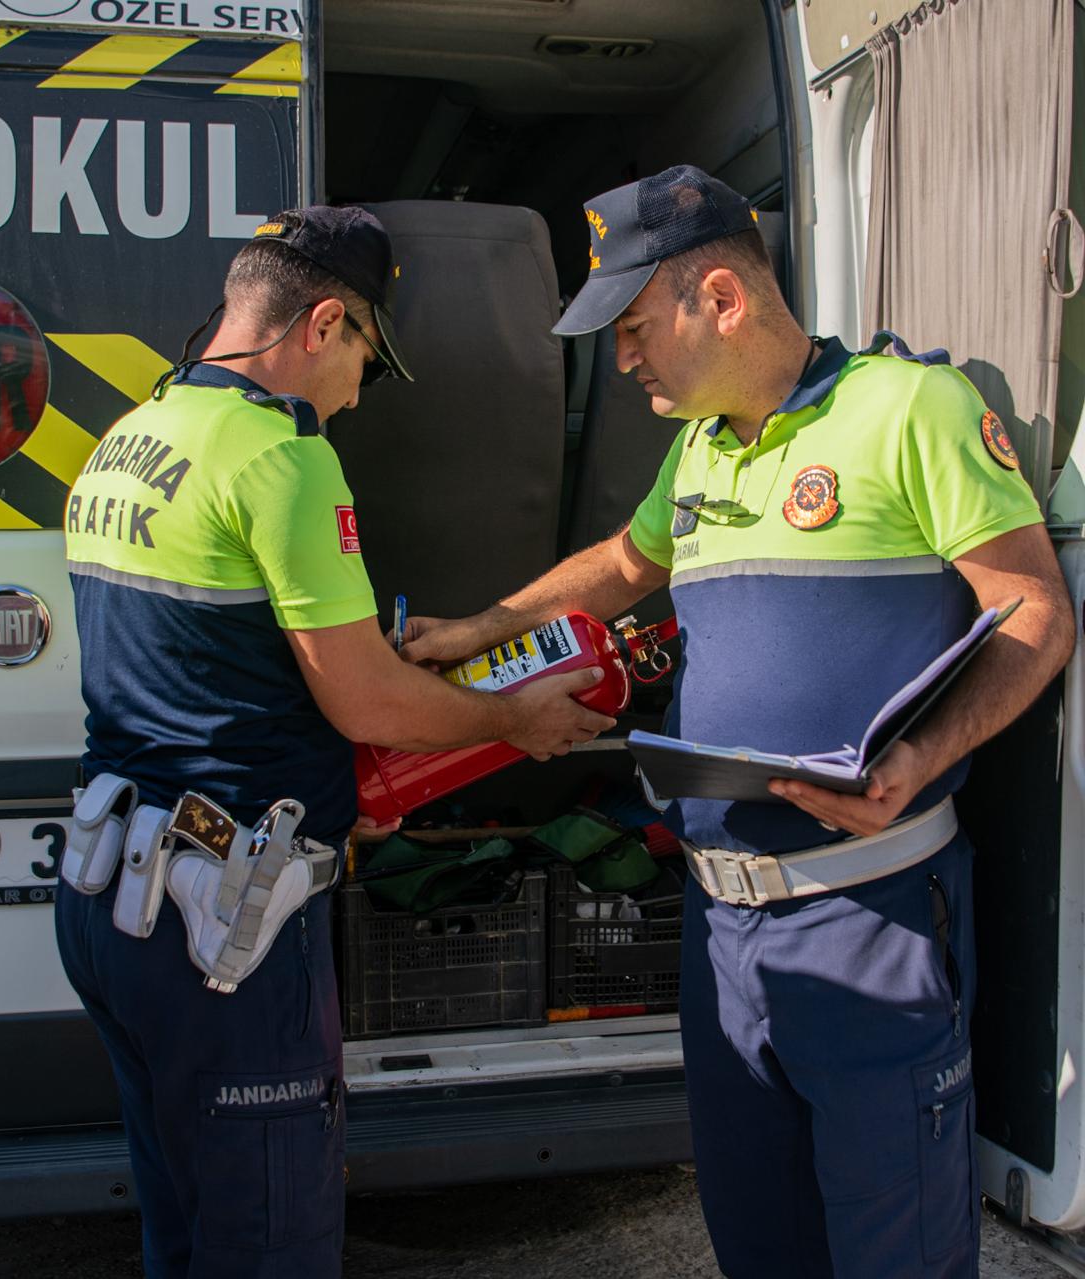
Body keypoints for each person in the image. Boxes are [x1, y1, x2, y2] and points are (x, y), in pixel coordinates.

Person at [401, 165, 1076, 1277]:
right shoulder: (701, 446)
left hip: (873, 922)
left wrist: (920, 755)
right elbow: (622, 565)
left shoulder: (911, 409)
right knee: (761, 1247)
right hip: (722, 938)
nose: (619, 359)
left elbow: (1036, 612)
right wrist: (481, 627)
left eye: (630, 326)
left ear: (718, 298)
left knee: (895, 1248)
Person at [56, 205, 615, 1278]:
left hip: (110, 893)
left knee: (182, 1231)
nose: (359, 389)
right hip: (223, 929)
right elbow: (366, 703)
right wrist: (512, 716)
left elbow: (199, 673)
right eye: (366, 353)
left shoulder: (133, 434)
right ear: (321, 324)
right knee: (268, 1244)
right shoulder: (282, 458)